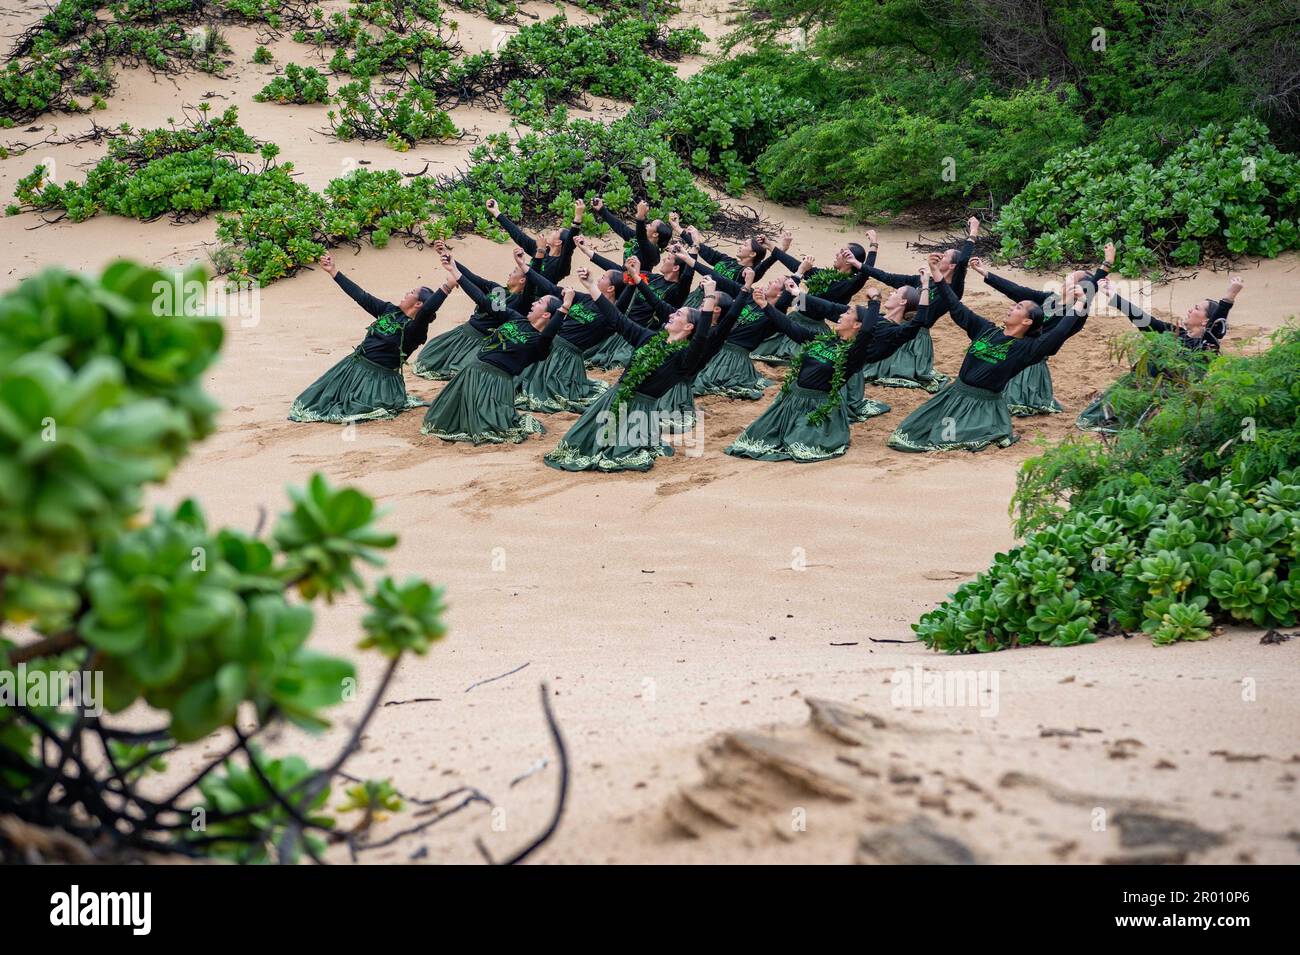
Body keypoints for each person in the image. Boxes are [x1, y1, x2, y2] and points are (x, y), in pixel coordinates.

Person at [887, 253, 1088, 453]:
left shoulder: (1026, 349)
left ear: (1027, 321)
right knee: (906, 434)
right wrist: (936, 273)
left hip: (980, 406)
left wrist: (1079, 304)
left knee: (944, 439)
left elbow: (1059, 333)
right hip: (953, 394)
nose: (1011, 307)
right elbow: (955, 305)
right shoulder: (986, 329)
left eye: (1018, 307)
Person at [726, 274, 933, 463]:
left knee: (799, 446)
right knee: (753, 437)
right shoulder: (822, 340)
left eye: (848, 313)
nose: (841, 316)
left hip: (817, 406)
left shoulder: (854, 353)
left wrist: (875, 302)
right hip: (790, 401)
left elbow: (869, 330)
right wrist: (766, 306)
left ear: (857, 325)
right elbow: (790, 327)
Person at [544, 280, 734, 473]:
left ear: (688, 327)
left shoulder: (686, 357)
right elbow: (617, 318)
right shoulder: (647, 337)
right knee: (574, 444)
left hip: (639, 412)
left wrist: (709, 295)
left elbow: (702, 336)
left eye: (678, 314)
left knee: (619, 451)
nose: (670, 314)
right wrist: (591, 285)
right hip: (612, 399)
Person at [420, 255, 570, 444]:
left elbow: (549, 333)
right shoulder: (515, 318)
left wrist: (564, 308)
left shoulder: (541, 343)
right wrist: (455, 272)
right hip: (472, 371)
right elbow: (483, 300)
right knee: (438, 420)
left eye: (539, 303)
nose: (533, 303)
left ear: (547, 314)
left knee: (487, 428)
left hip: (495, 383)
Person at [289, 254, 447, 423]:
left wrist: (446, 287)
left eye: (412, 292)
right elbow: (361, 296)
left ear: (418, 304)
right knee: (312, 401)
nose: (407, 293)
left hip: (378, 381)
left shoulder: (416, 329)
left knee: (353, 408)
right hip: (352, 367)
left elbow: (427, 311)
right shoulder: (389, 310)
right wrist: (333, 271)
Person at [1076, 275, 1244, 433]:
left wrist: (1230, 296)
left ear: (1206, 320)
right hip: (1139, 383)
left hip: (1164, 395)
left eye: (1196, 308)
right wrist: (1113, 296)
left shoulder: (1206, 346)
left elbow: (1216, 326)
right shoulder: (1175, 332)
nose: (1189, 310)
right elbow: (1145, 321)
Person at [970, 242, 1115, 415]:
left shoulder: (1076, 312)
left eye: (1071, 277)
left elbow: (1090, 288)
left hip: (1030, 360)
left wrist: (1107, 263)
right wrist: (984, 272)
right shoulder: (1049, 298)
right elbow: (1016, 290)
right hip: (1015, 354)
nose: (1066, 278)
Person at [858, 219, 980, 391]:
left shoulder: (953, 289)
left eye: (945, 255)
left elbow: (963, 261)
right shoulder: (923, 280)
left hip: (916, 336)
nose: (940, 255)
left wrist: (973, 231)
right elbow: (888, 277)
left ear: (952, 265)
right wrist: (859, 263)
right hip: (898, 331)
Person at [411, 241, 533, 381]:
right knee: (428, 357)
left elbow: (530, 290)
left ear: (523, 280)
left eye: (514, 271)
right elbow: (471, 277)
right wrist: (449, 258)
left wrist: (527, 261)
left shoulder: (521, 302)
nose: (510, 273)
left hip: (481, 342)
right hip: (463, 333)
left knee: (463, 372)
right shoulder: (497, 289)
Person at [512, 251, 617, 413]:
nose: (599, 278)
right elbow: (550, 288)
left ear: (611, 288)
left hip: (567, 358)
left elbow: (626, 302)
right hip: (550, 345)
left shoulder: (612, 315)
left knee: (547, 391)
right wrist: (524, 266)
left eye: (603, 277)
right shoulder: (586, 298)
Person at [748, 238, 875, 364]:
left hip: (811, 326)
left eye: (842, 252)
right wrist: (770, 246)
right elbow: (796, 266)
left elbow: (864, 274)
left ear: (849, 260)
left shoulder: (849, 284)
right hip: (795, 317)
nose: (837, 254)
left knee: (792, 355)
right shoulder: (825, 275)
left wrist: (873, 246)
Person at [578, 239, 694, 370]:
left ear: (675, 267)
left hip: (640, 334)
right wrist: (589, 252)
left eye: (667, 259)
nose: (663, 260)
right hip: (623, 326)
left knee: (617, 364)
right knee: (591, 357)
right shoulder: (651, 277)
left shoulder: (678, 290)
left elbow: (688, 277)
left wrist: (692, 252)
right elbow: (619, 271)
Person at [485, 196, 584, 282]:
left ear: (558, 242)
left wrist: (578, 217)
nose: (553, 231)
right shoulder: (543, 249)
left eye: (557, 231)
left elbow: (569, 247)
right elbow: (519, 236)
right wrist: (496, 212)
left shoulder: (561, 263)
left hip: (538, 301)